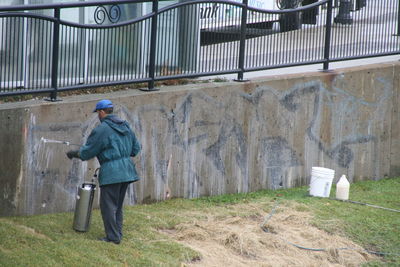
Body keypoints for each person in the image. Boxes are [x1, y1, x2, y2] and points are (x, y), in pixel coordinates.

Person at [66, 99, 141, 245]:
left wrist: (74, 153)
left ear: (101, 112)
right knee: (117, 206)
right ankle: (117, 234)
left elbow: (88, 152)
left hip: (112, 173)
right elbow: (135, 149)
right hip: (127, 170)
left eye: (97, 113)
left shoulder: (101, 129)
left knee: (108, 206)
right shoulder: (125, 125)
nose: (98, 116)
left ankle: (113, 238)